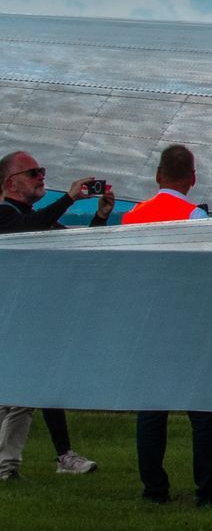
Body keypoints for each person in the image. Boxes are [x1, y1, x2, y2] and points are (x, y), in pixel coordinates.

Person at [121, 146, 212, 507]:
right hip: (188, 323)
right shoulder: (194, 216)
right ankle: (208, 489)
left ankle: (154, 488)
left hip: (147, 322)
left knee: (152, 411)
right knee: (203, 413)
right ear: (192, 178)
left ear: (158, 175)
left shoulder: (133, 217)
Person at [0, 149, 107, 479]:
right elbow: (28, 227)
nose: (42, 177)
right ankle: (11, 467)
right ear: (10, 183)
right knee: (26, 393)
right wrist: (70, 199)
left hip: (29, 316)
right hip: (13, 317)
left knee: (31, 390)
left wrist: (101, 217)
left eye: (41, 170)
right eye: (33, 173)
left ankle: (51, 458)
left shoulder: (31, 215)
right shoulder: (5, 214)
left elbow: (75, 245)